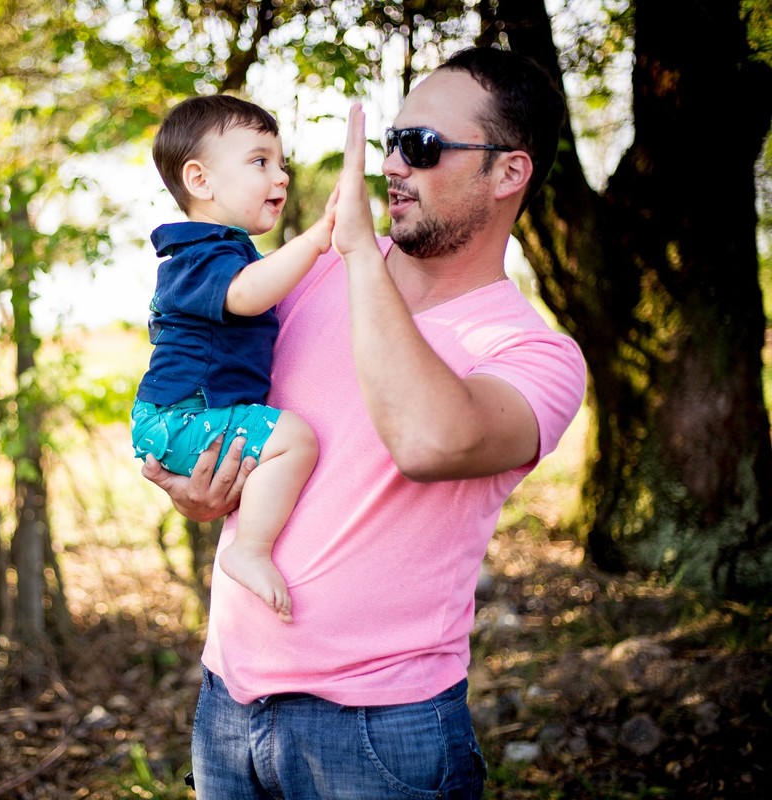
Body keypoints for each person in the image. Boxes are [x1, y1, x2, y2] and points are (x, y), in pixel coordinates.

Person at [142, 47, 586, 798]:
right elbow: (206, 396)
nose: (393, 167)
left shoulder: (534, 353)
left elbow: (428, 439)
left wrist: (356, 253)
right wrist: (195, 486)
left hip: (377, 732)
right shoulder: (305, 275)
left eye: (422, 147)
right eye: (391, 141)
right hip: (228, 703)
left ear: (509, 172)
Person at [132, 95, 337, 623]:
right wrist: (316, 240)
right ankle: (249, 550)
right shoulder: (201, 253)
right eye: (260, 161)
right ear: (199, 181)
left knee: (282, 441)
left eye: (282, 162)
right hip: (181, 417)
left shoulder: (225, 249)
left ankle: (251, 547)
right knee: (295, 439)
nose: (282, 175)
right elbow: (246, 295)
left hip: (180, 416)